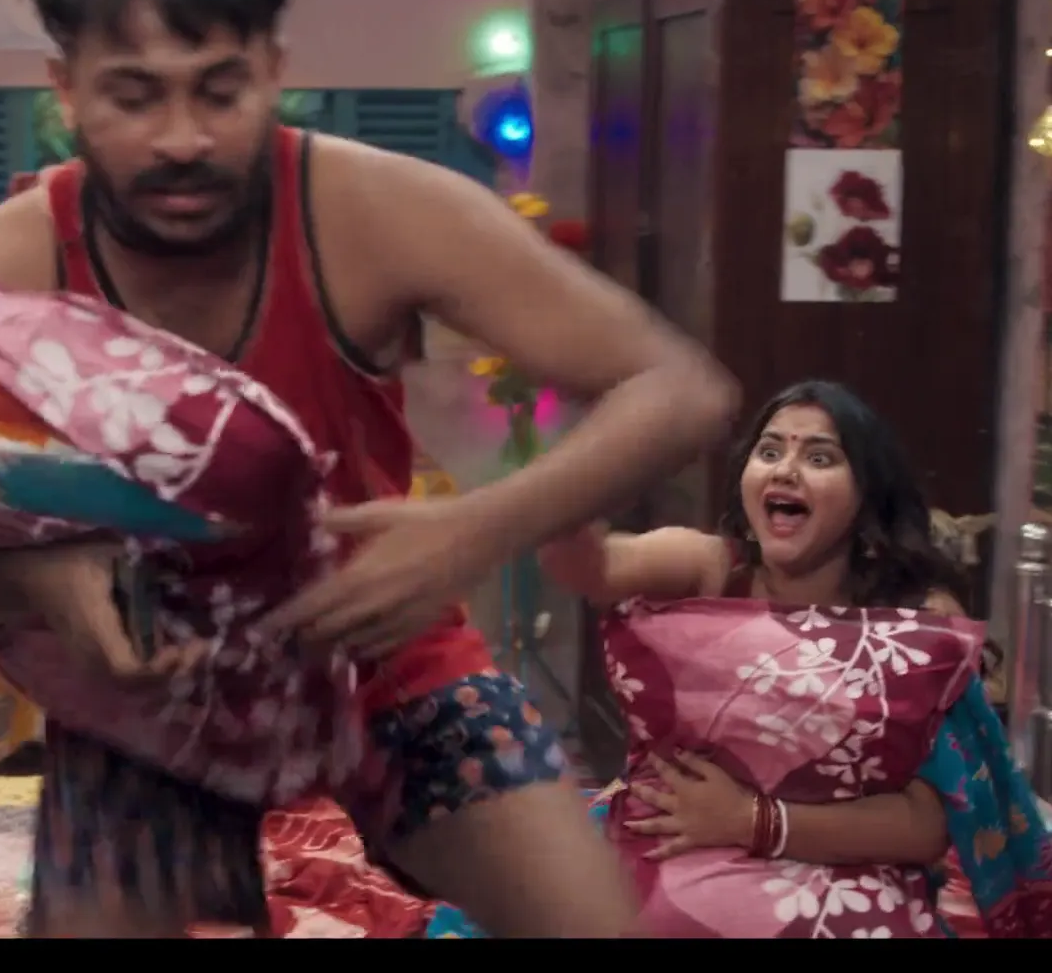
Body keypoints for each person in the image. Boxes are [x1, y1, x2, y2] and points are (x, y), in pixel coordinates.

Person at [0, 0, 741, 938]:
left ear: (275, 70)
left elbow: (681, 387)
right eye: (134, 97)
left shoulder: (371, 210)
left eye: (219, 91)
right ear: (65, 89)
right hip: (145, 703)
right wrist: (36, 578)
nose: (181, 139)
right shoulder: (4, 269)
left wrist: (475, 531)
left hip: (382, 652)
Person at [422, 380, 1052, 938]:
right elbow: (599, 567)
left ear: (866, 497)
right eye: (769, 451)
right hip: (675, 837)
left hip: (844, 863)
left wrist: (752, 822)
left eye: (820, 457)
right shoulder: (713, 567)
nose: (786, 470)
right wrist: (569, 500)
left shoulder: (914, 618)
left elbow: (925, 827)